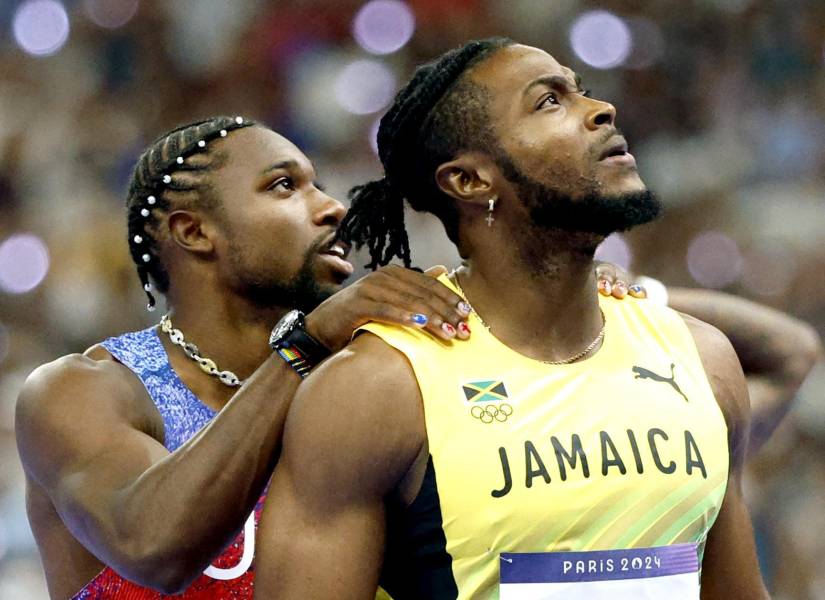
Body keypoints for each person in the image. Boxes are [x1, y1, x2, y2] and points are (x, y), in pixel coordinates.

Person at [252, 39, 785, 598]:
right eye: (549, 102)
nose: (600, 109)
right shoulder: (378, 388)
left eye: (579, 90)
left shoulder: (703, 358)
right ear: (470, 181)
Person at [14, 116, 479, 600]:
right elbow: (154, 547)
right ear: (194, 231)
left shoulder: (358, 382)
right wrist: (304, 344)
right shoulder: (80, 392)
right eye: (284, 186)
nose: (332, 208)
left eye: (317, 185)